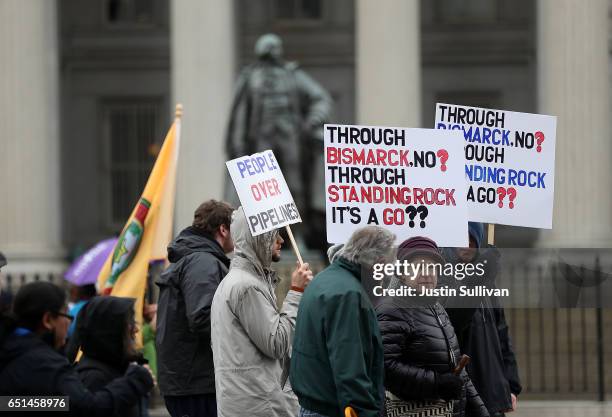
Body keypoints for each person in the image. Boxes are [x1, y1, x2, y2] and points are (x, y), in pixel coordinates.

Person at [225, 33, 332, 251]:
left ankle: (298, 235)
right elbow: (240, 115)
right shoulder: (250, 77)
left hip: (290, 138)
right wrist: (238, 145)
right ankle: (267, 239)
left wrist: (312, 121)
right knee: (263, 191)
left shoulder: (292, 75)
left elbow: (320, 98)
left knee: (295, 187)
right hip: (261, 140)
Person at [211, 207, 313, 417]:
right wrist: (296, 291)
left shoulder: (240, 281)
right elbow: (277, 343)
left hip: (250, 401)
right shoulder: (247, 286)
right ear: (258, 238)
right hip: (258, 404)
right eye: (273, 234)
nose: (281, 241)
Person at [0, 281, 154, 416]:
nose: (69, 324)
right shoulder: (46, 365)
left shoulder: (13, 351)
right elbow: (86, 409)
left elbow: (12, 403)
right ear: (48, 320)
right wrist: (135, 381)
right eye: (66, 315)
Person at [376, 237, 489, 417]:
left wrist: (481, 412)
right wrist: (437, 384)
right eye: (418, 267)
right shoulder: (392, 309)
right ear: (403, 273)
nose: (427, 273)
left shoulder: (437, 308)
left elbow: (458, 373)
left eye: (432, 267)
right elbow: (385, 366)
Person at [290, 226, 396, 417]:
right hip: (333, 408)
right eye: (390, 264)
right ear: (378, 263)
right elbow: (350, 369)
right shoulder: (349, 294)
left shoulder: (325, 279)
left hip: (316, 403)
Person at [155, 200, 235, 417]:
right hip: (197, 383)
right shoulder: (203, 261)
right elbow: (202, 317)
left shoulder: (195, 257)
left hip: (188, 380)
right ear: (223, 229)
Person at [442, 223, 522, 417]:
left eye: (471, 240)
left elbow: (501, 334)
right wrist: (482, 275)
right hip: (462, 392)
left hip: (491, 390)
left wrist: (511, 385)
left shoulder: (487, 280)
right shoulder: (441, 274)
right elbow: (455, 319)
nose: (466, 245)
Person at [73, 296, 153, 417]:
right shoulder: (93, 377)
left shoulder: (119, 366)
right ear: (110, 330)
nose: (136, 329)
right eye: (129, 323)